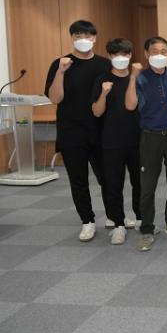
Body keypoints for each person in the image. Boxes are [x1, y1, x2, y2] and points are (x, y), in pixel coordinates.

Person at [45, 20, 110, 242]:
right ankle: (87, 221)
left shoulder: (104, 64)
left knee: (108, 177)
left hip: (100, 131)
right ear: (72, 38)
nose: (84, 40)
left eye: (88, 36)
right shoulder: (60, 64)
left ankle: (114, 215)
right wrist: (61, 72)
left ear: (95, 38)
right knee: (78, 180)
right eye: (78, 36)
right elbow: (55, 98)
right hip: (71, 131)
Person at [127, 36, 167, 252]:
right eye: (154, 51)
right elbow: (130, 105)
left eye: (163, 51)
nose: (159, 55)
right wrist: (132, 78)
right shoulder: (140, 77)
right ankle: (147, 229)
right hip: (150, 137)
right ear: (146, 54)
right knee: (148, 186)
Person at [91, 38, 141, 245]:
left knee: (140, 182)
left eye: (125, 54)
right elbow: (96, 111)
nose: (121, 58)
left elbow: (134, 106)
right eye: (116, 54)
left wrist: (133, 78)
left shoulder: (138, 78)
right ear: (109, 56)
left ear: (130, 55)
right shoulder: (101, 79)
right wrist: (103, 94)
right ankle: (118, 224)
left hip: (137, 139)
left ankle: (141, 219)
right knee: (113, 184)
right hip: (111, 140)